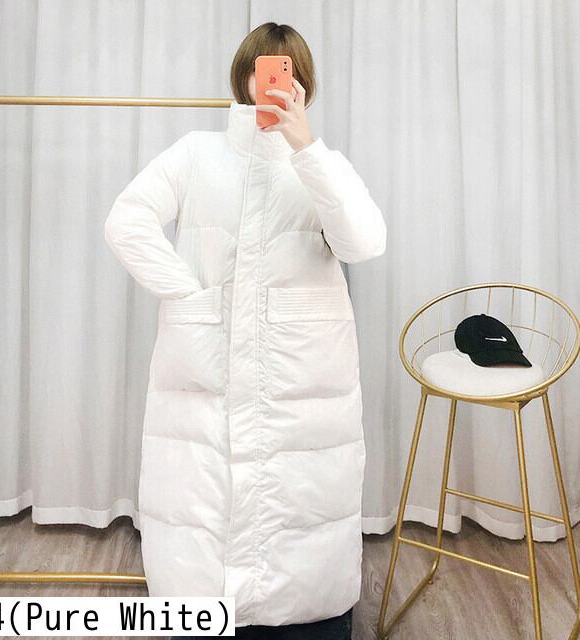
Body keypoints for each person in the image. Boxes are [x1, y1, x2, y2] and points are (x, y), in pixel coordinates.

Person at [104, 22, 386, 639]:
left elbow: (364, 242)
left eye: (288, 72)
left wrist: (305, 147)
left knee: (302, 496)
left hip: (301, 369)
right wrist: (188, 295)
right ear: (244, 77)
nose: (275, 83)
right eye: (265, 69)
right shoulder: (196, 154)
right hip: (206, 358)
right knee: (202, 491)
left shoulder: (322, 165)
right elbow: (128, 220)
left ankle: (305, 615)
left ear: (303, 83)